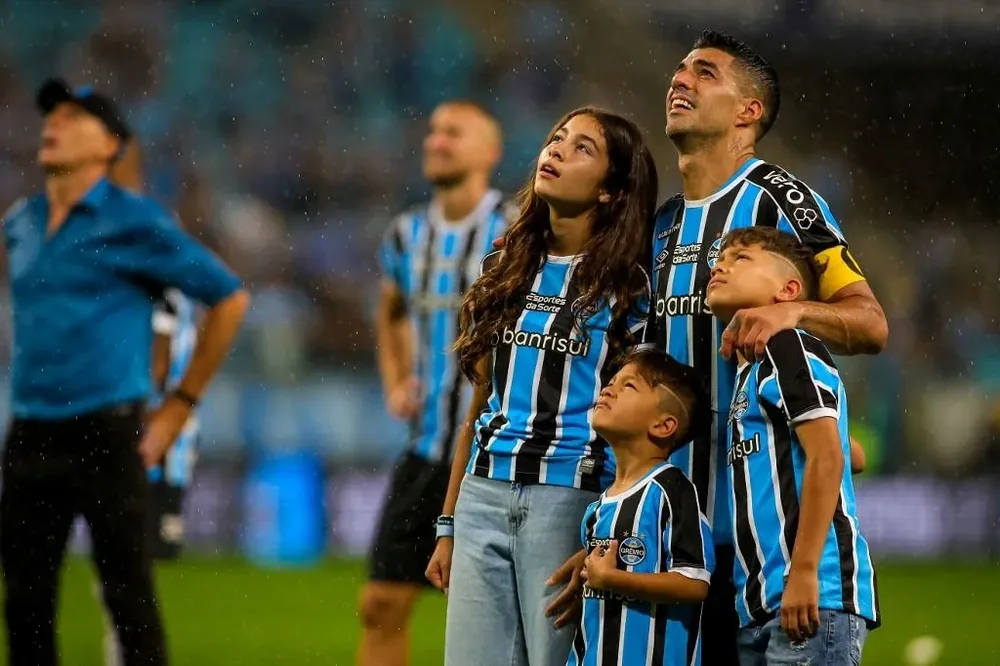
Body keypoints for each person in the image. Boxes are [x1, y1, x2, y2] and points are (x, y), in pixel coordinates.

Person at [649, 29, 889, 662]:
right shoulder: (663, 223)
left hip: (761, 535)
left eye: (704, 72)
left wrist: (790, 312)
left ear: (748, 111)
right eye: (678, 69)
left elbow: (869, 323)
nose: (680, 79)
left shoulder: (782, 200)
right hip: (677, 530)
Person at [0, 78, 249, 666]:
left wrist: (179, 405)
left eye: (73, 116)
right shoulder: (21, 221)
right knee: (24, 605)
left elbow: (229, 299)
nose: (53, 124)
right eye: (50, 115)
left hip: (106, 434)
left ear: (111, 144)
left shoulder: (133, 221)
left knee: (127, 600)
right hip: (29, 432)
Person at [425, 106, 658, 666]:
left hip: (571, 506)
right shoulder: (504, 264)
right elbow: (480, 405)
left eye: (583, 148)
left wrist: (603, 535)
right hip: (481, 496)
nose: (555, 150)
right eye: (556, 138)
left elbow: (640, 431)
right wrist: (449, 521)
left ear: (610, 190)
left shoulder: (632, 285)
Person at [357, 100, 511, 666]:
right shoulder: (405, 235)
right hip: (425, 452)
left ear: (490, 152)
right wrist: (397, 378)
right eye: (432, 130)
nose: (437, 140)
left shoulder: (517, 229)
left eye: (453, 132)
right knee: (380, 603)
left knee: (493, 619)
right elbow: (391, 311)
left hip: (495, 458)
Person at [705, 226, 879, 664]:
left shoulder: (787, 344)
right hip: (765, 602)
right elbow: (846, 452)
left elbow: (828, 456)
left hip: (810, 594)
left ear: (789, 290)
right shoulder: (751, 369)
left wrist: (802, 574)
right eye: (719, 259)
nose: (720, 264)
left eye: (741, 258)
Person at [101, 141, 203, 666]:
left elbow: (159, 347)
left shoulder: (133, 235)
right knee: (126, 571)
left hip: (143, 432)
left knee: (126, 572)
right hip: (151, 430)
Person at [567, 349, 715, 666]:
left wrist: (616, 580)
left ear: (663, 425)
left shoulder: (672, 491)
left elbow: (694, 583)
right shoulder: (597, 509)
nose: (608, 388)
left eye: (628, 386)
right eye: (612, 381)